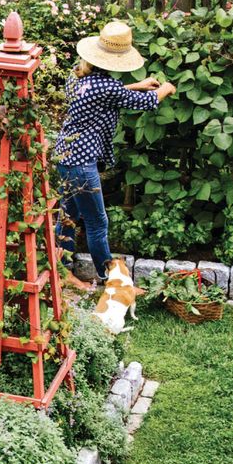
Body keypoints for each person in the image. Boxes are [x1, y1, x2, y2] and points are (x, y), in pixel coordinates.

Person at [53, 20, 176, 288]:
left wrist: (136, 85)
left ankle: (61, 272)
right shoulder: (107, 87)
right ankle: (108, 278)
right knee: (98, 223)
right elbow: (149, 102)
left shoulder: (77, 77)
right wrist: (165, 88)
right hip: (82, 164)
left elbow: (104, 97)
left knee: (68, 215)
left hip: (64, 157)